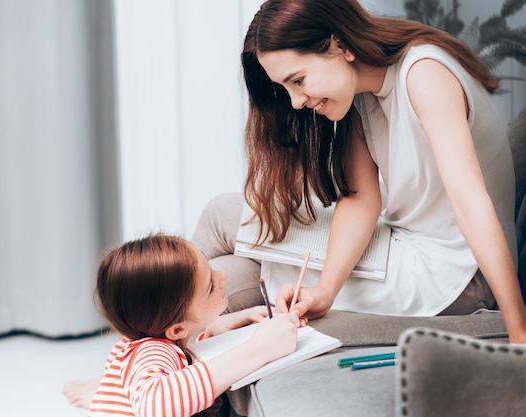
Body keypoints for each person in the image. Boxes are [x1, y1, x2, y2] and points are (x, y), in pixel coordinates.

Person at [215, 0, 525, 344]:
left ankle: (165, 344)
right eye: (285, 88)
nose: (295, 102)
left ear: (340, 45)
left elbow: (471, 205)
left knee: (224, 220)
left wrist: (519, 329)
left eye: (298, 80)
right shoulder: (360, 94)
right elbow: (361, 197)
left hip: (457, 276)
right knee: (231, 269)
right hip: (413, 252)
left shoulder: (425, 74)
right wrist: (326, 290)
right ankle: (167, 347)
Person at [74, 233, 299, 416]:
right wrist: (259, 349)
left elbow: (179, 366)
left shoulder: (144, 342)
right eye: (211, 286)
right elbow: (156, 404)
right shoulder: (152, 352)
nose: (223, 278)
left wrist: (212, 332)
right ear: (178, 329)